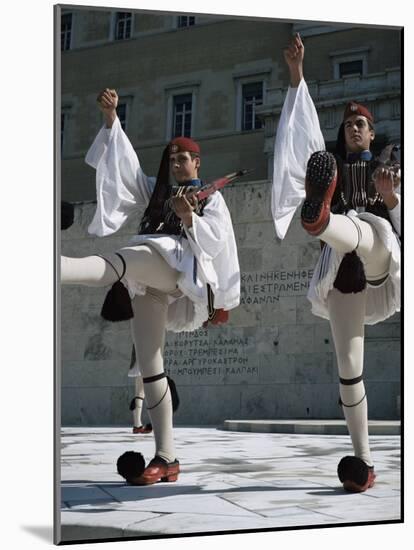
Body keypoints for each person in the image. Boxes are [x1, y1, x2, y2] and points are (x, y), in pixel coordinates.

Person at [61, 88, 240, 485]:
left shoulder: (208, 198)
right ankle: (167, 458)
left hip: (178, 268)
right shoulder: (156, 190)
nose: (176, 163)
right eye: (172, 158)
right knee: (151, 367)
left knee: (123, 261)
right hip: (151, 285)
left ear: (197, 162)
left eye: (183, 158)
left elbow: (217, 243)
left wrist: (190, 218)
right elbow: (124, 171)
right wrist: (111, 121)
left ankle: (57, 269)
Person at [272, 35, 400, 492]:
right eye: (348, 126)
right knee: (349, 367)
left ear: (372, 130)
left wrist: (392, 200)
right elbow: (302, 127)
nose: (354, 129)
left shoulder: (392, 166)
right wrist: (296, 73)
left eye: (361, 124)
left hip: (381, 252)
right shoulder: (335, 169)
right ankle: (363, 461)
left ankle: (322, 219)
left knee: (363, 228)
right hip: (341, 267)